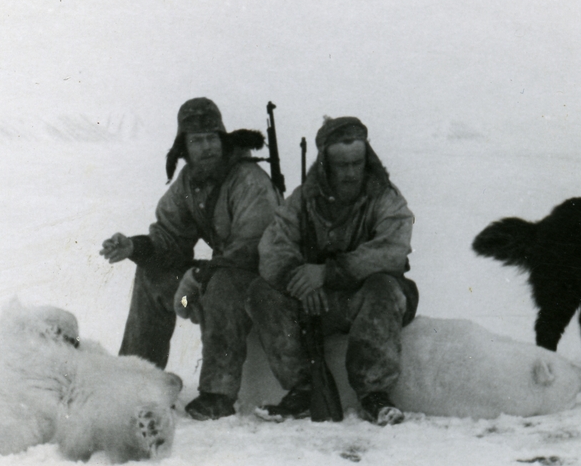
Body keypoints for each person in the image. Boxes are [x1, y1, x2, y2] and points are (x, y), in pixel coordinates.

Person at [100, 98, 281, 421]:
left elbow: (253, 249)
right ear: (183, 147)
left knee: (222, 283)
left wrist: (198, 277)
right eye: (197, 141)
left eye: (212, 138)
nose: (207, 147)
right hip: (205, 283)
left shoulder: (249, 181)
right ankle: (136, 381)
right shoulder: (190, 182)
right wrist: (134, 247)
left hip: (258, 284)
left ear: (223, 139)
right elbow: (170, 239)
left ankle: (217, 394)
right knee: (152, 274)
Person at [246, 115, 418, 426]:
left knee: (385, 286)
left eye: (357, 162)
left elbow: (392, 251)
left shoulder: (386, 198)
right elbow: (272, 248)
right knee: (261, 291)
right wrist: (301, 282)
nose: (351, 173)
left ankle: (373, 394)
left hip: (365, 301)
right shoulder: (302, 200)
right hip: (316, 302)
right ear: (326, 165)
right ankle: (302, 389)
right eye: (342, 165)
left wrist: (327, 272)